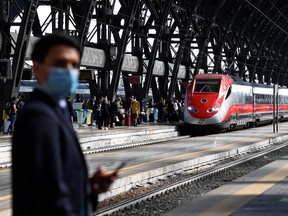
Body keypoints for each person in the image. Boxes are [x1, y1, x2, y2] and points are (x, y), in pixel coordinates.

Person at [12, 34, 117, 215]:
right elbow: (48, 197)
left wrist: (89, 189)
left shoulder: (56, 111)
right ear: (37, 68)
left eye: (74, 65)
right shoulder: (39, 118)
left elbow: (57, 182)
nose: (69, 70)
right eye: (60, 64)